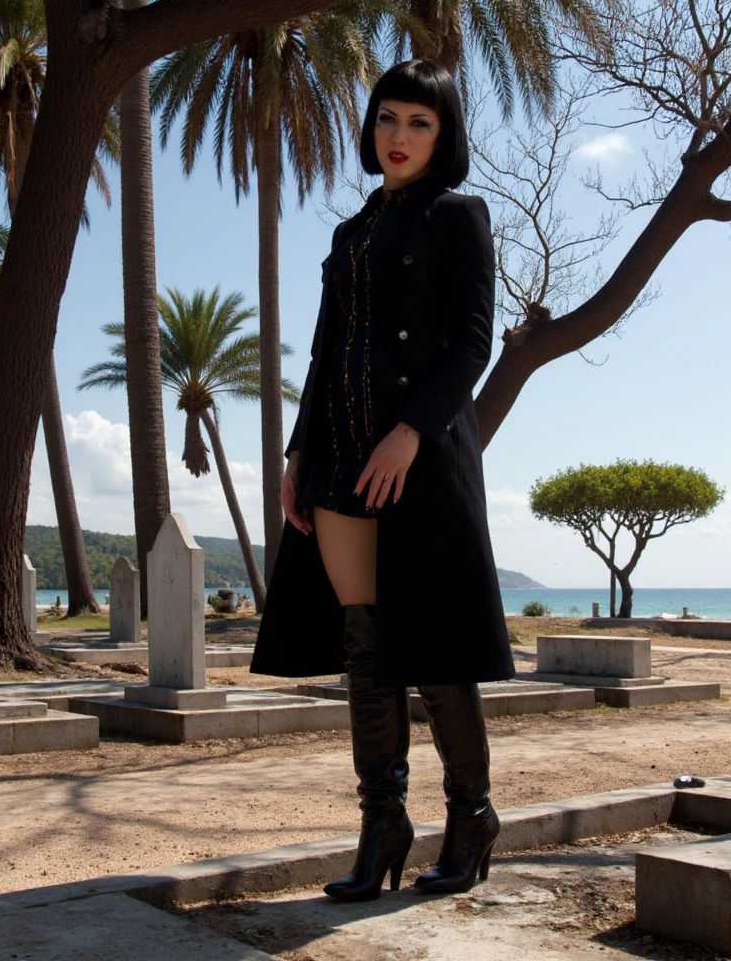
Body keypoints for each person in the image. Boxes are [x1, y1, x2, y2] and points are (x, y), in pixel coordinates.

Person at [250, 59, 515, 902]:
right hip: (337, 458)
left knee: (434, 652)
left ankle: (471, 816)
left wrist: (412, 432)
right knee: (366, 650)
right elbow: (326, 352)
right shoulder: (351, 232)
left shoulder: (459, 218)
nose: (397, 137)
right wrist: (298, 452)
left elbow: (472, 343)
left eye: (419, 123)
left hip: (419, 461)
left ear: (445, 136)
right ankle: (383, 825)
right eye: (387, 119)